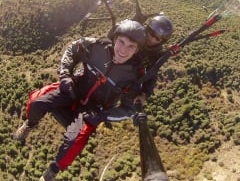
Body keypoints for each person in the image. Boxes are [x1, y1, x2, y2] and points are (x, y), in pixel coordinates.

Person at [14, 19, 146, 181]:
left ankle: (52, 171)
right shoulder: (96, 46)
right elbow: (72, 49)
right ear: (114, 38)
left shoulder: (133, 76)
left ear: (137, 50)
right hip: (74, 89)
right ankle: (29, 124)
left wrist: (103, 116)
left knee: (74, 140)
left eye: (131, 47)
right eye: (121, 42)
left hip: (92, 109)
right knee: (37, 102)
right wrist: (65, 76)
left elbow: (129, 110)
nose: (123, 50)